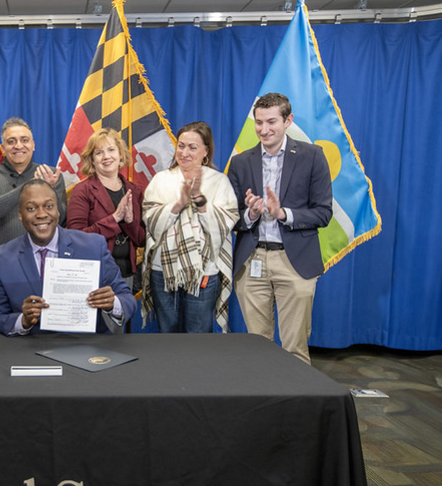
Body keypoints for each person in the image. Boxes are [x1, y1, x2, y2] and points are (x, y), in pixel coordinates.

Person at [227, 93, 333, 365]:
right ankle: (264, 401)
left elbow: (323, 213)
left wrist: (282, 213)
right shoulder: (240, 162)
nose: (264, 129)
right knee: (257, 346)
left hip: (295, 261)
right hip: (251, 261)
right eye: (258, 122)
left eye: (271, 122)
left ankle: (297, 406)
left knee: (294, 348)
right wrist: (250, 214)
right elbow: (229, 216)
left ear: (288, 120)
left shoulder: (312, 156)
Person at [0, 179, 136, 336]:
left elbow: (127, 299)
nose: (42, 214)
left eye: (49, 206)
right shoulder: (1, 258)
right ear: (20, 215)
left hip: (87, 348)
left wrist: (112, 304)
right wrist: (23, 321)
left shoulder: (93, 246)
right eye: (31, 208)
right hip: (30, 348)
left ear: (58, 211)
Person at [141, 121, 239, 333]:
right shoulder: (161, 180)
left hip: (204, 271)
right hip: (163, 271)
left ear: (206, 151)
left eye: (192, 148)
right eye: (181, 145)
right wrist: (177, 206)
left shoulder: (219, 181)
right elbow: (150, 219)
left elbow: (224, 226)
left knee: (198, 335)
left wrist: (200, 201)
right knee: (168, 333)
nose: (184, 153)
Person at [0, 118, 67, 255]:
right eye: (11, 141)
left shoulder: (50, 174)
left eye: (24, 140)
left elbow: (62, 220)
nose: (18, 146)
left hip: (46, 260)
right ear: (3, 147)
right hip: (4, 262)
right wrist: (30, 186)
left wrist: (49, 189)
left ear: (33, 145)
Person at [67, 128, 146, 291]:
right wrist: (115, 218)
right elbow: (76, 238)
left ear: (121, 155)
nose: (106, 156)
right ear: (92, 160)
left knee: (123, 317)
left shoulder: (134, 191)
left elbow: (141, 240)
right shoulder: (83, 190)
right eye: (99, 152)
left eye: (111, 150)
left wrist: (129, 223)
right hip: (93, 274)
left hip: (126, 275)